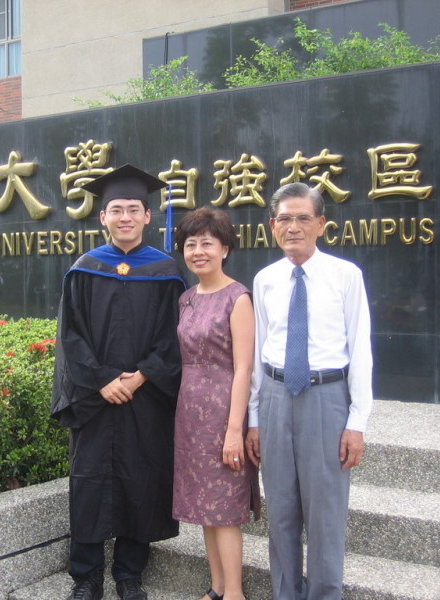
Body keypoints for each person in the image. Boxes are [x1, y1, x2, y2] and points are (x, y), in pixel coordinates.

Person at [51, 164, 187, 600]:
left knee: (141, 478)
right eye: (116, 210)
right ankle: (86, 577)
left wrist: (143, 374)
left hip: (146, 396)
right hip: (97, 396)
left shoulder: (165, 272)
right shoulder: (86, 268)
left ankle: (130, 574)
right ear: (102, 218)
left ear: (148, 216)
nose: (125, 217)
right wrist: (104, 380)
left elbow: (174, 336)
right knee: (89, 481)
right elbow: (70, 335)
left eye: (133, 209)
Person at [245, 182, 373, 600]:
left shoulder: (345, 276)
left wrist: (357, 422)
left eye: (303, 218)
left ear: (321, 224)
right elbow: (259, 352)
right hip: (276, 399)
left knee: (325, 515)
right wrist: (255, 419)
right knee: (280, 511)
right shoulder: (265, 280)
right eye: (284, 218)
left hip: (327, 400)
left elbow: (361, 350)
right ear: (272, 226)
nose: (293, 227)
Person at [172, 207, 261, 600]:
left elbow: (244, 369)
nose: (198, 251)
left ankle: (236, 594)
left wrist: (233, 431)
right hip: (189, 413)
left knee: (224, 510)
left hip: (224, 412)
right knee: (206, 507)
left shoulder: (237, 298)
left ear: (225, 248)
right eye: (190, 244)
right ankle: (217, 588)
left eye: (207, 243)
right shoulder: (186, 299)